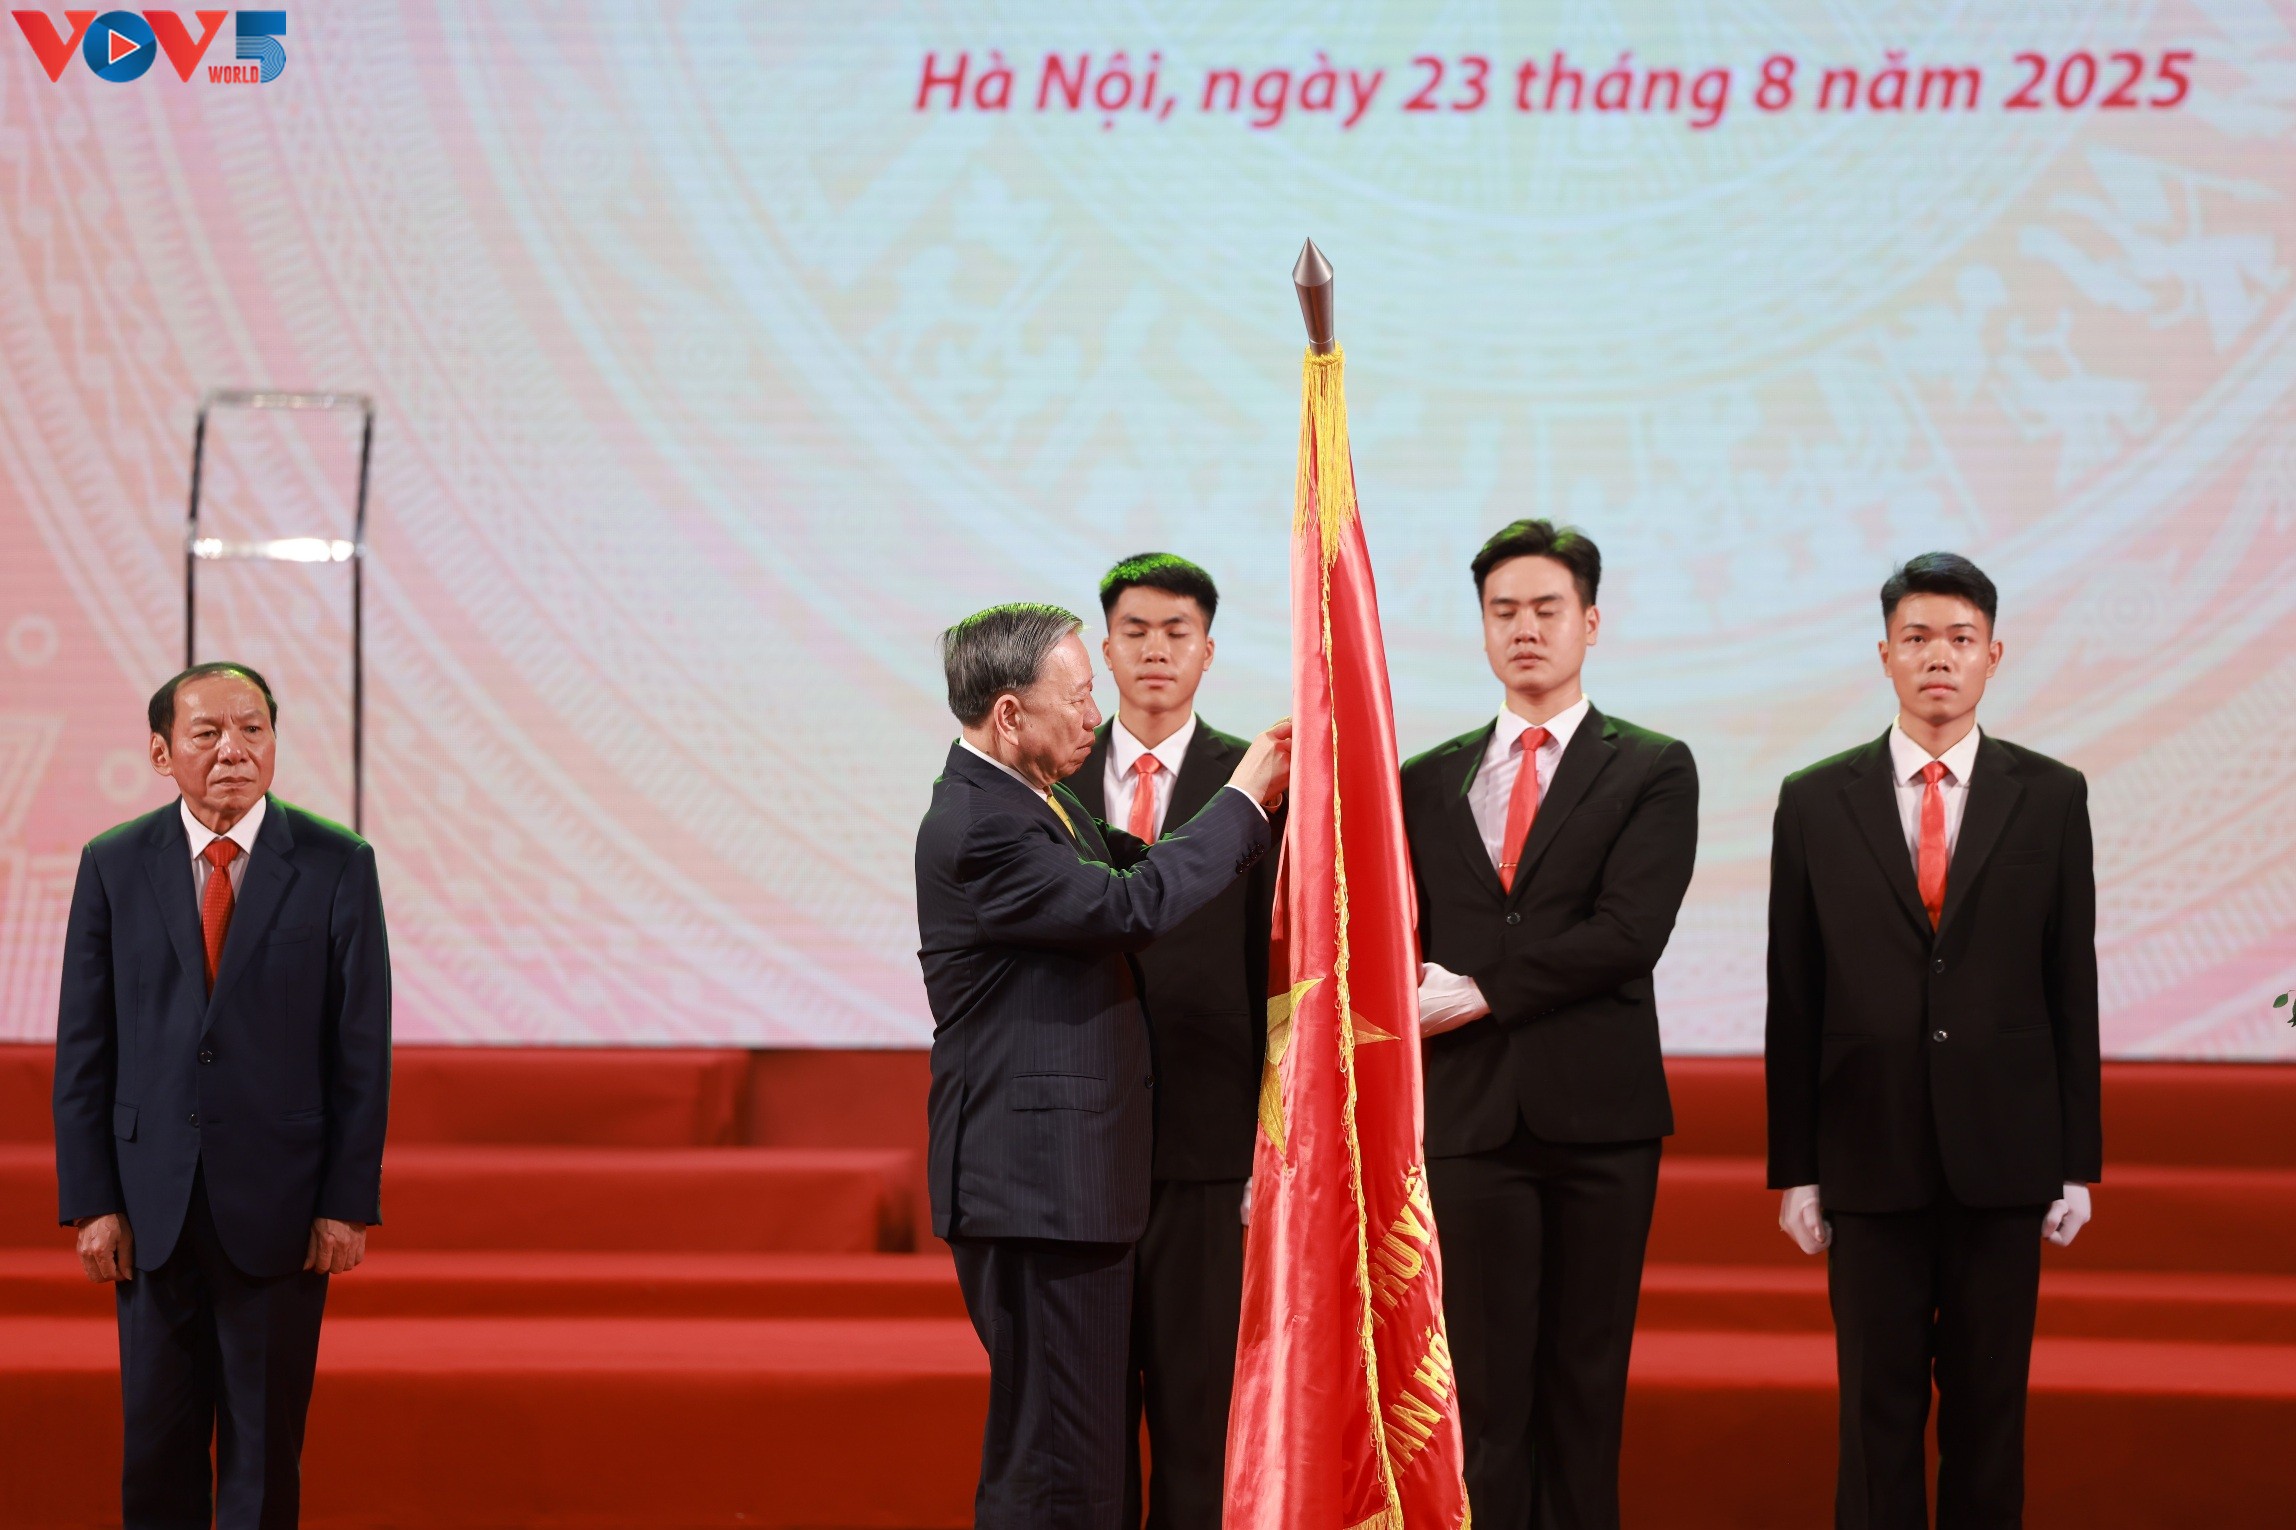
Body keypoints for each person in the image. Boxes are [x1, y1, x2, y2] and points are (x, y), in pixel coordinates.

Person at [916, 602, 1290, 1530]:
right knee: (1060, 1471)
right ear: (1010, 713)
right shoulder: (985, 824)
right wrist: (1244, 796)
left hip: (1065, 1190)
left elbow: (1145, 864)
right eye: (1079, 697)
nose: (1097, 714)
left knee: (1076, 1462)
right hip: (1039, 1192)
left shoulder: (1034, 799)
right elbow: (1133, 905)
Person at [1766, 552, 2099, 1529]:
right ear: (1885, 656)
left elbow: (2070, 983)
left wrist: (2075, 1161)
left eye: (1959, 638)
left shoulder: (2051, 795)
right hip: (1866, 1152)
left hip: (2004, 1154)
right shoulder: (1814, 800)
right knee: (1875, 1415)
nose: (1938, 657)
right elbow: (1795, 995)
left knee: (1990, 1414)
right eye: (1916, 638)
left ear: (1993, 653)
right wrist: (1797, 1168)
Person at [1401, 519, 1699, 1530]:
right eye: (1504, 612)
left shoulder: (1651, 767)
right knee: (1484, 1397)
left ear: (1590, 622)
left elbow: (1628, 933)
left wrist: (1481, 990)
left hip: (1599, 1125)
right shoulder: (1424, 778)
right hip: (1469, 1118)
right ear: (1482, 627)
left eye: (1546, 609)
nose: (1524, 629)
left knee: (1583, 1392)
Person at [53, 662, 392, 1529]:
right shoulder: (113, 863)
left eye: (253, 730)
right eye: (207, 733)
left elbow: (360, 1051)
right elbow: (85, 1047)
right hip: (149, 1204)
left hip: (281, 1203)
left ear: (274, 743)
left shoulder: (337, 863)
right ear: (162, 752)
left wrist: (345, 1203)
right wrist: (92, 1201)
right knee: (156, 1452)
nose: (233, 751)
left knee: (264, 1458)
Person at [1065, 554, 1275, 1529]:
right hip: (1077, 1149)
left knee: (1201, 1421)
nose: (1155, 650)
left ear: (1208, 651)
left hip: (1208, 1145)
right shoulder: (1046, 780)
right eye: (1136, 631)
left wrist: (1269, 1141)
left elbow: (1278, 970)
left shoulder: (1263, 783)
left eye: (1176, 632)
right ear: (1104, 650)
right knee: (1088, 1428)